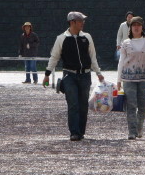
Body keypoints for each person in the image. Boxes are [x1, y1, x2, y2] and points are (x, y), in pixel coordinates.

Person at [43, 11, 105, 141]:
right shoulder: (61, 38)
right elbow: (54, 57)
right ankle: (74, 132)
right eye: (80, 21)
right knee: (73, 104)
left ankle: (81, 131)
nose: (83, 23)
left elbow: (92, 56)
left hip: (85, 75)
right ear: (72, 22)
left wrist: (98, 73)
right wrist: (47, 74)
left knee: (83, 105)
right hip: (69, 75)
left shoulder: (87, 37)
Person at [116, 16, 145, 140]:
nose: (136, 27)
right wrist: (118, 80)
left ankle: (139, 127)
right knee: (131, 105)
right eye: (134, 25)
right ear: (131, 27)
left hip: (144, 77)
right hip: (128, 78)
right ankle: (132, 132)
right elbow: (121, 61)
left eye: (139, 25)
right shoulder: (126, 43)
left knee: (144, 105)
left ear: (142, 27)